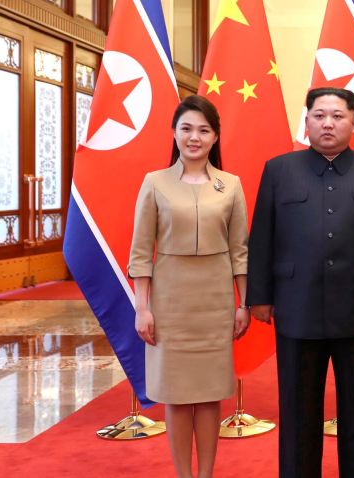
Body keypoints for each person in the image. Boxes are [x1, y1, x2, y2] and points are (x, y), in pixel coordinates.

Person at [246, 87, 354, 478]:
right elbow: (263, 236)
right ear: (307, 120)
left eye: (337, 115)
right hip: (297, 308)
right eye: (319, 115)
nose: (328, 123)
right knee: (298, 412)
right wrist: (259, 297)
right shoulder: (278, 170)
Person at [128, 95, 250, 478]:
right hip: (170, 302)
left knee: (210, 392)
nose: (194, 137)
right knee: (178, 396)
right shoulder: (154, 182)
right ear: (174, 133)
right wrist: (142, 307)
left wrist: (243, 303)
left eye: (203, 130)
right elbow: (141, 252)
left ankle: (207, 474)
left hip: (215, 302)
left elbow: (240, 251)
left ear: (215, 137)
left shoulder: (230, 185)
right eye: (186, 129)